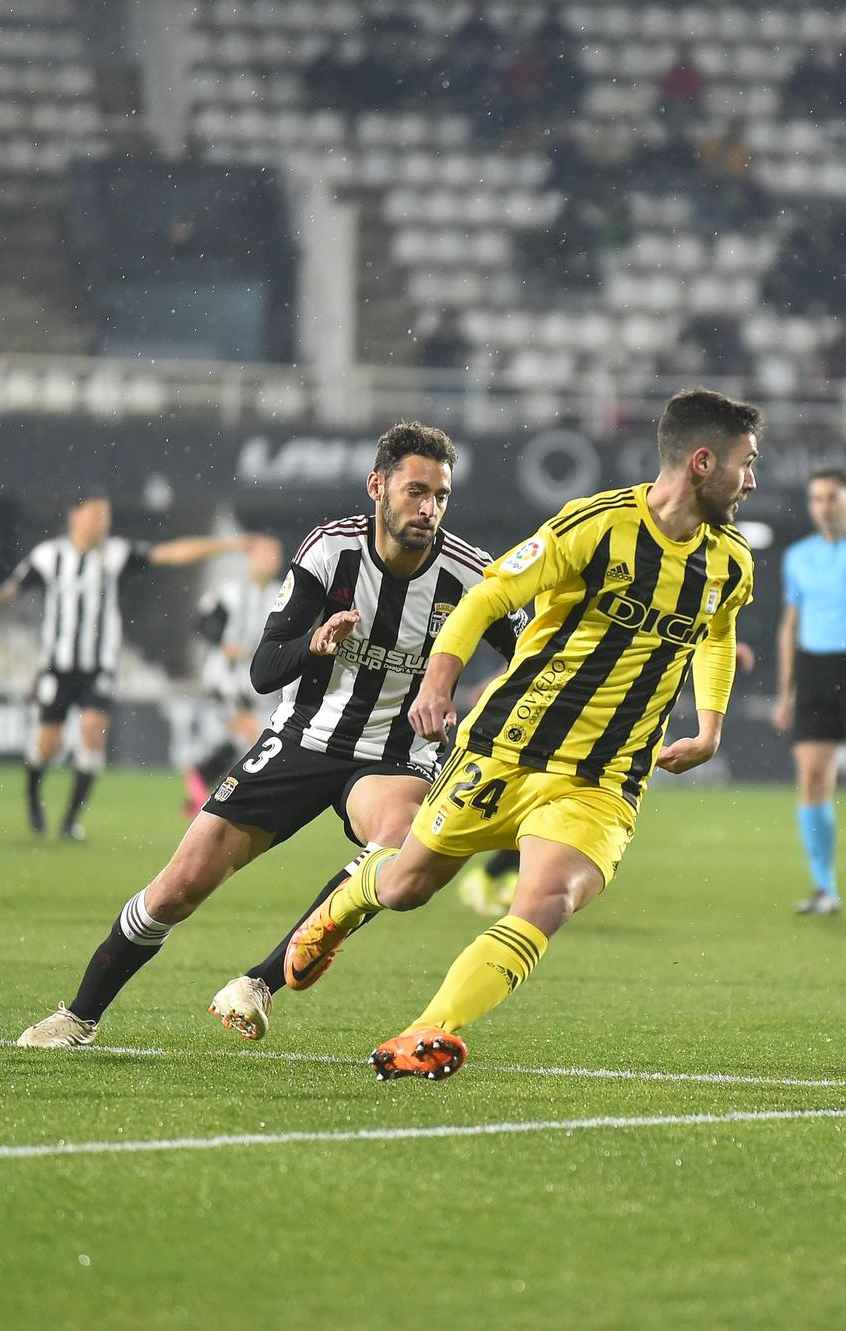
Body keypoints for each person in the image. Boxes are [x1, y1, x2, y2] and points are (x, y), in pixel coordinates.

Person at [258, 386, 760, 1082]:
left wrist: (708, 728)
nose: (753, 478)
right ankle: (345, 902)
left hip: (602, 780)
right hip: (505, 749)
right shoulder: (596, 526)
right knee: (405, 887)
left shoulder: (730, 562)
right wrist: (437, 682)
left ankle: (428, 1029)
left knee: (546, 900)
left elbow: (717, 630)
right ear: (703, 462)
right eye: (745, 462)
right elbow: (491, 594)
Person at [12, 423, 524, 1048]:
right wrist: (313, 644)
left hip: (396, 757)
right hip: (303, 739)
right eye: (416, 491)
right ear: (377, 487)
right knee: (177, 889)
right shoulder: (329, 552)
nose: (429, 509)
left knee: (399, 845)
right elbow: (263, 670)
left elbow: (531, 662)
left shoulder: (470, 576)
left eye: (441, 496)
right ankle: (80, 1016)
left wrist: (472, 711)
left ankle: (258, 983)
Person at [0, 493, 253, 841]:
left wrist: (224, 545)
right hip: (57, 667)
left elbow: (170, 553)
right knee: (47, 746)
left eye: (105, 516)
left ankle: (70, 821)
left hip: (98, 668)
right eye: (95, 514)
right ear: (75, 516)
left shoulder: (114, 554)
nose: (102, 522)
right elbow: (13, 588)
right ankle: (33, 799)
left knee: (91, 733)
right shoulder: (50, 557)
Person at [772, 468, 846, 916]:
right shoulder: (798, 556)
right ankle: (825, 890)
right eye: (816, 498)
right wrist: (786, 692)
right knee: (813, 780)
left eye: (831, 497)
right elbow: (791, 625)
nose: (823, 506)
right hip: (815, 670)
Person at [184, 532, 286, 809]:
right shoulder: (229, 591)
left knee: (240, 737)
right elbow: (202, 623)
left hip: (253, 679)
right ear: (251, 558)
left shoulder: (281, 593)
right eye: (264, 554)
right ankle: (250, 798)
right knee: (254, 733)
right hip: (224, 676)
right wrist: (222, 642)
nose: (269, 560)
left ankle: (200, 778)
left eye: (273, 555)